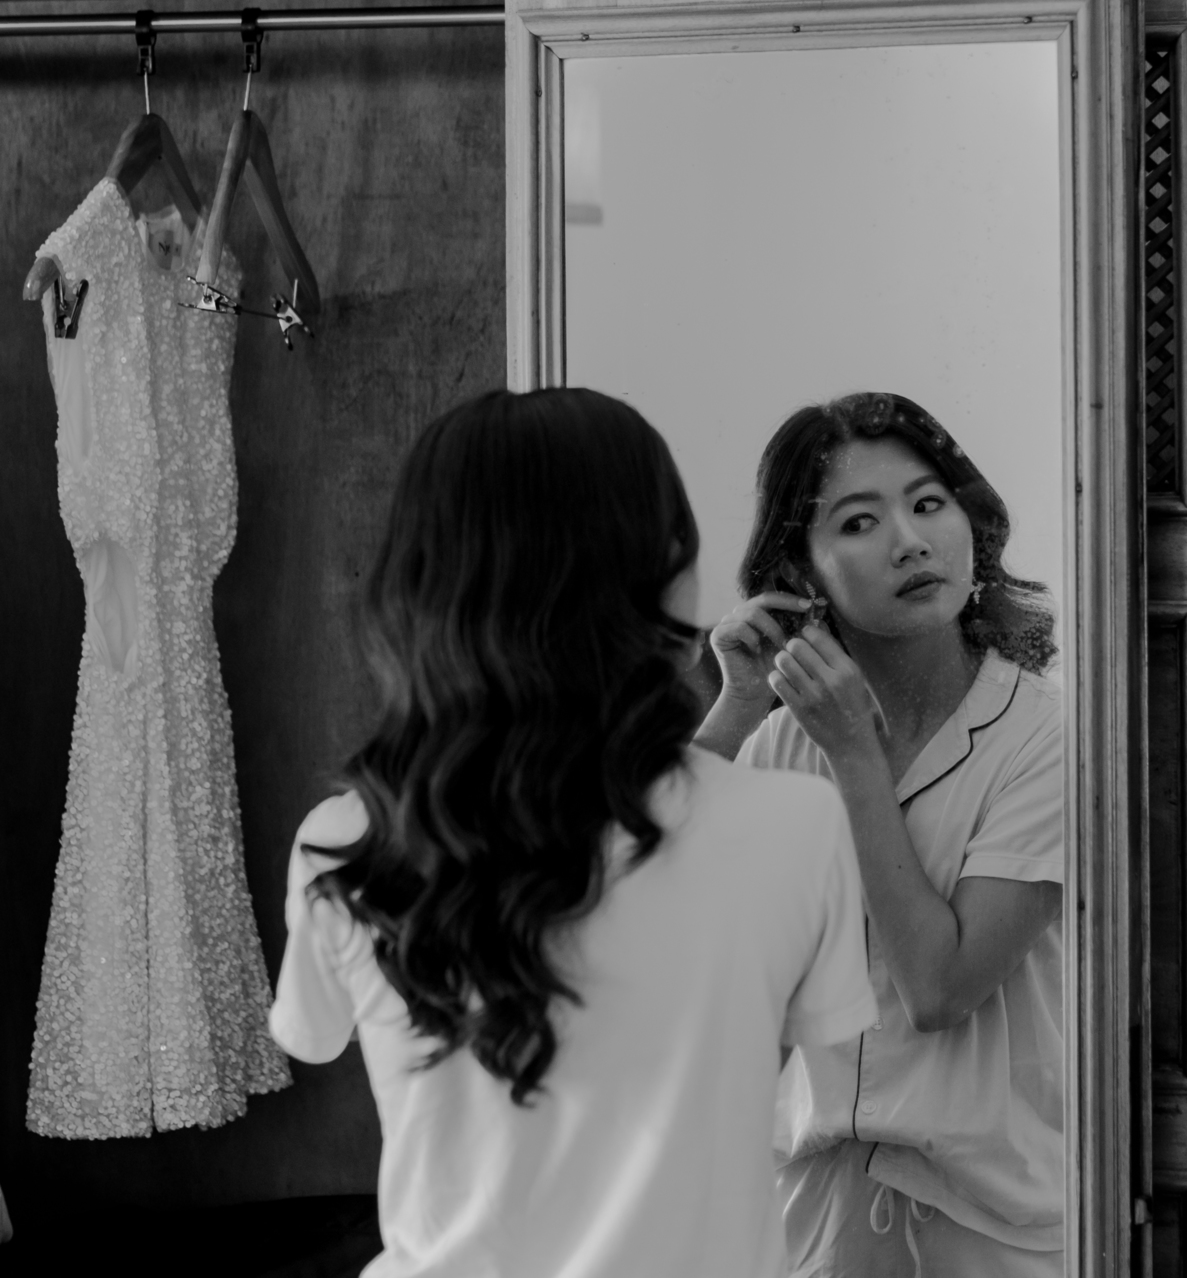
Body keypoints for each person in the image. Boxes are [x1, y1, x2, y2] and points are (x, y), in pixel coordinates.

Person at [268, 388, 877, 1278]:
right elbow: (733, 1045)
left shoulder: (346, 842)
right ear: (670, 569)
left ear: (416, 584)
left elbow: (312, 1035)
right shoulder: (796, 824)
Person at [694, 392, 1064, 1278]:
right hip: (811, 1217)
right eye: (860, 520)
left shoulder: (1043, 736)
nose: (910, 539)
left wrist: (856, 757)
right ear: (803, 570)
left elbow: (939, 987)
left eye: (929, 502)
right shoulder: (781, 736)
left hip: (995, 1226)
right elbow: (653, 925)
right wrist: (735, 709)